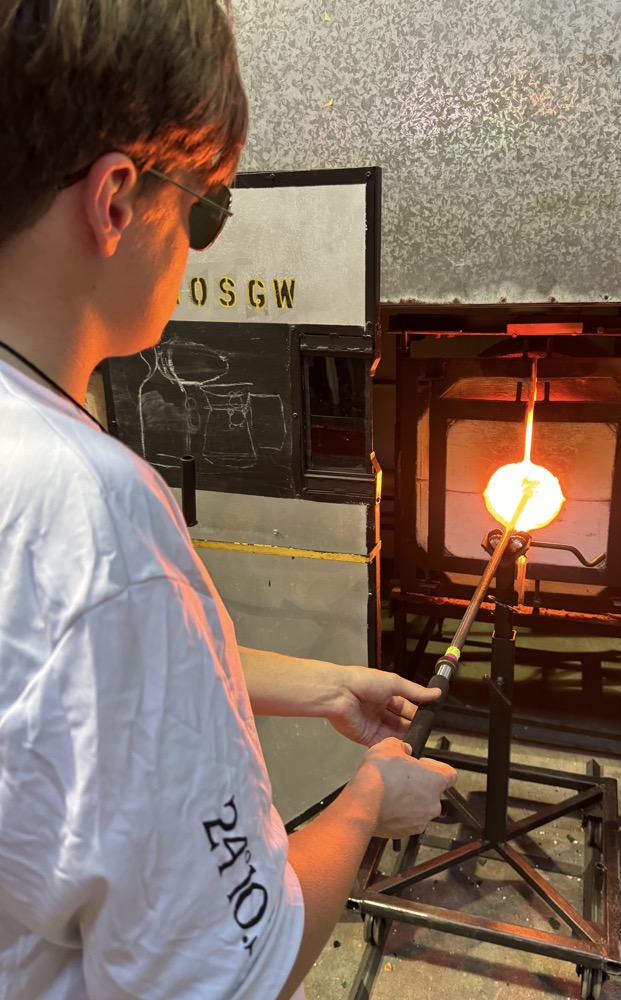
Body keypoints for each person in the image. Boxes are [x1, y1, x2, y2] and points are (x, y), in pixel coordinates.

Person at [0, 2, 457, 998]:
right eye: (206, 209)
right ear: (115, 200)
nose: (201, 242)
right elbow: (233, 972)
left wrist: (326, 684)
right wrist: (368, 798)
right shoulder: (86, 509)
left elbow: (72, 679)